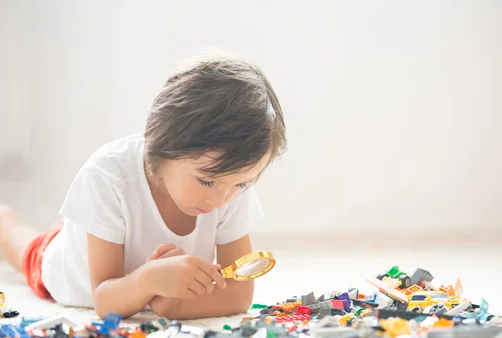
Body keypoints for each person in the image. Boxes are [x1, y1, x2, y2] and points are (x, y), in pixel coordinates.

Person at [0, 53, 287, 320]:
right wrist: (148, 280)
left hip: (106, 224)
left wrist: (172, 305)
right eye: (206, 181)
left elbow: (238, 296)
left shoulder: (228, 180)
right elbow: (104, 301)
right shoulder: (108, 176)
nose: (221, 200)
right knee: (21, 242)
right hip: (68, 261)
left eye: (241, 184)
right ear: (161, 146)